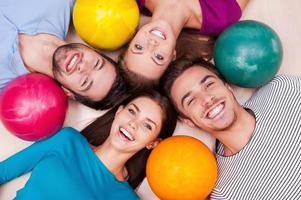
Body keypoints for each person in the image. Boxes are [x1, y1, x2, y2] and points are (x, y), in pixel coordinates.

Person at [161, 56, 301, 199]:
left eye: (209, 84)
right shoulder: (224, 193)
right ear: (189, 121)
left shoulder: (282, 90)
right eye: (191, 100)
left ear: (227, 86)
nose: (207, 99)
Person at [0, 90, 177, 199]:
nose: (133, 124)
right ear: (118, 112)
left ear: (152, 143)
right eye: (132, 111)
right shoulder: (66, 140)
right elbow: (3, 172)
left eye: (147, 125)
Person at [0, 0, 127, 110]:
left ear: (68, 92)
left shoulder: (4, 83)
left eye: (85, 82)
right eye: (96, 63)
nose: (83, 67)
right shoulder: (60, 4)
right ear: (93, 50)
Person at [118, 0, 249, 88]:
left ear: (133, 39)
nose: (152, 44)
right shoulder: (221, 16)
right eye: (158, 57)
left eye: (139, 47)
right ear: (172, 56)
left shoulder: (131, 3)